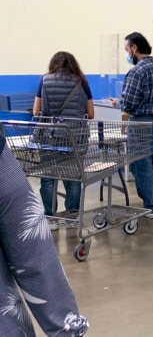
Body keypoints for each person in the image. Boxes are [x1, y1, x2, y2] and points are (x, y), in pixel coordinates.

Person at [0, 132, 89, 335]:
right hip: (4, 165)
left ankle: (52, 212)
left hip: (46, 142)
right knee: (39, 259)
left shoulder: (42, 96)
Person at [112, 32, 153, 219]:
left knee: (141, 163)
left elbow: (129, 104)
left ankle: (151, 206)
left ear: (134, 48)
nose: (127, 54)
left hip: (140, 122)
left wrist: (118, 103)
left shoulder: (136, 72)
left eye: (126, 50)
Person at [32, 51, 95, 230]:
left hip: (49, 136)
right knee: (73, 175)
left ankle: (50, 217)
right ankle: (73, 216)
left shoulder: (44, 80)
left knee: (49, 176)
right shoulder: (81, 81)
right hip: (75, 137)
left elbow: (36, 111)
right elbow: (90, 114)